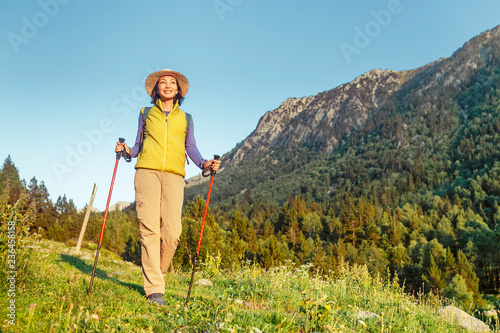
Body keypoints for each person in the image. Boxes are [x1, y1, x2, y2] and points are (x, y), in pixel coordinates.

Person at [115, 69, 221, 305]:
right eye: (163, 82)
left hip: (174, 177)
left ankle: (157, 275)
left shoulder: (186, 118)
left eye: (172, 82)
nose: (167, 85)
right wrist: (125, 152)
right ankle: (154, 289)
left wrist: (205, 163)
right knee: (149, 229)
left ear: (178, 90)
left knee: (173, 234)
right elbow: (137, 146)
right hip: (146, 173)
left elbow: (191, 149)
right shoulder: (145, 113)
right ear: (156, 89)